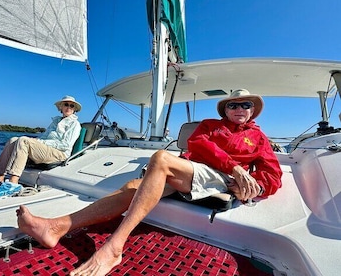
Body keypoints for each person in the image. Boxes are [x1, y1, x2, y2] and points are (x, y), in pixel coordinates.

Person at [16, 89, 282, 275]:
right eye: (233, 105)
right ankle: (55, 227)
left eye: (245, 105)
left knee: (161, 158)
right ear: (225, 109)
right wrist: (234, 165)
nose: (239, 109)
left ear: (252, 111)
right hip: (197, 167)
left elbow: (273, 177)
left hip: (218, 178)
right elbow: (197, 144)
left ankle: (114, 247)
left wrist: (251, 184)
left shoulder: (258, 138)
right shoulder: (210, 125)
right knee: (132, 188)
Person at [0, 95, 82, 184]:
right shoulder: (55, 122)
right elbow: (44, 137)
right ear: (61, 107)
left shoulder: (75, 124)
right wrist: (36, 140)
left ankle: (14, 180)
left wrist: (39, 142)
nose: (69, 107)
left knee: (23, 140)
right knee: (13, 140)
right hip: (47, 149)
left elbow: (65, 144)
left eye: (72, 106)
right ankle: (0, 176)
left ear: (74, 110)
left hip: (60, 153)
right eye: (66, 104)